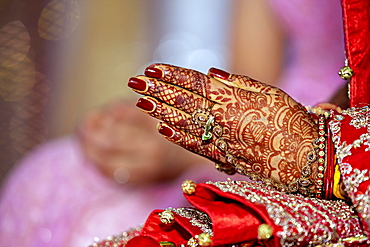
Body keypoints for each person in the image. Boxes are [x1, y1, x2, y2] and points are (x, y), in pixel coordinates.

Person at [90, 0, 370, 245]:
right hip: (267, 120)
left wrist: (323, 147)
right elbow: (251, 75)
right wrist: (188, 129)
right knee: (66, 166)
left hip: (345, 150)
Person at [0, 99, 240, 247]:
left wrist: (187, 154)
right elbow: (241, 94)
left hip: (258, 182)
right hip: (238, 144)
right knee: (64, 165)